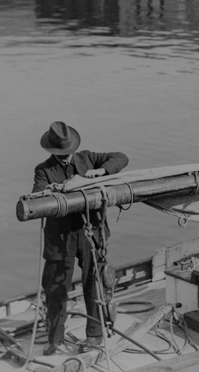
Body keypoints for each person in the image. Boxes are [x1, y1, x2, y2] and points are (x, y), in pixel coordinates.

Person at [32, 121, 128, 356]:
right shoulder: (43, 170)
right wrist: (61, 189)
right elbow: (37, 198)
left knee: (94, 284)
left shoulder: (87, 159)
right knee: (56, 289)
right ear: (52, 151)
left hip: (90, 233)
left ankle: (94, 335)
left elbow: (121, 157)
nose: (66, 157)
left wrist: (101, 172)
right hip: (60, 238)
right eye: (61, 154)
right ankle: (55, 338)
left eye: (68, 152)